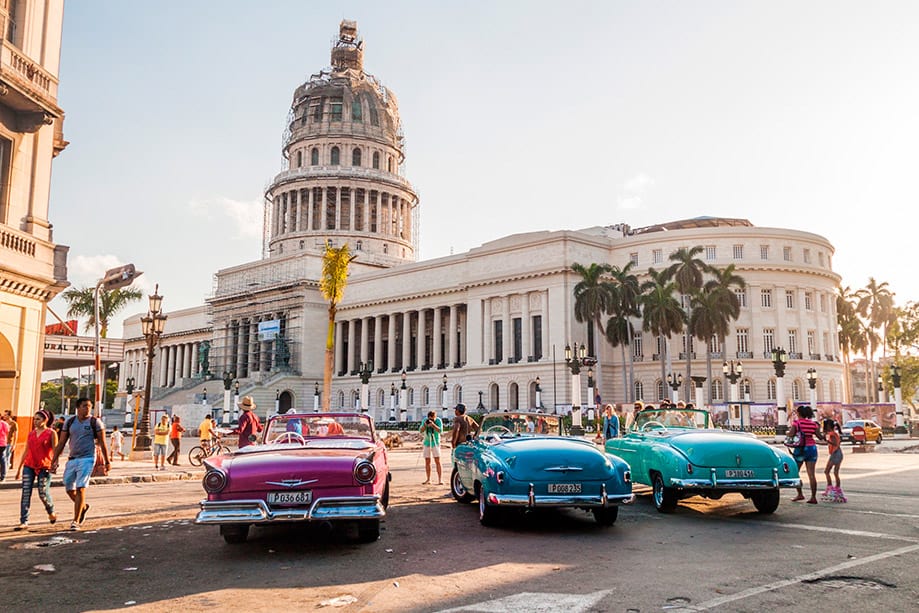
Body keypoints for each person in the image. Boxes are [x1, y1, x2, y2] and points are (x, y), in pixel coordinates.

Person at [50, 397, 109, 531]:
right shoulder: (70, 422)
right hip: (72, 458)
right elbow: (62, 442)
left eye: (89, 406)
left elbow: (103, 442)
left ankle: (76, 521)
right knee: (68, 487)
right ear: (77, 408)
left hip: (87, 458)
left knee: (81, 487)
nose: (87, 408)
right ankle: (83, 506)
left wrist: (107, 461)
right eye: (84, 406)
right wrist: (54, 459)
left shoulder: (95, 422)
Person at [14, 410, 57, 530]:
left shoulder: (51, 433)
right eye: (34, 419)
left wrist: (55, 463)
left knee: (42, 493)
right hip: (29, 465)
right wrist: (19, 469)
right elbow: (26, 451)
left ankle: (51, 511)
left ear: (45, 420)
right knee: (26, 493)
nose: (35, 421)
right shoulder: (31, 434)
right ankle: (24, 520)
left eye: (38, 419)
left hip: (44, 466)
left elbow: (55, 450)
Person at [788, 405, 822, 504]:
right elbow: (819, 436)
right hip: (812, 449)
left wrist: (787, 433)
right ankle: (813, 497)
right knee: (811, 474)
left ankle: (800, 494)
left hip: (800, 449)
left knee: (795, 472)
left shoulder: (797, 423)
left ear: (798, 413)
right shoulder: (813, 424)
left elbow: (791, 434)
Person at [822, 418, 846, 503]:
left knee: (827, 471)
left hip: (835, 453)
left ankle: (830, 487)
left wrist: (827, 440)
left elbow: (835, 444)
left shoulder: (832, 434)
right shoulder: (834, 433)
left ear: (828, 426)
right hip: (838, 453)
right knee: (835, 472)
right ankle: (838, 489)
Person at [419, 410, 443, 485]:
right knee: (427, 461)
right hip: (427, 442)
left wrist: (433, 425)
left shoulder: (438, 420)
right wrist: (425, 425)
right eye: (430, 419)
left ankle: (440, 479)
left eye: (432, 419)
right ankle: (428, 479)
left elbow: (440, 431)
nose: (431, 420)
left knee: (437, 460)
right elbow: (421, 430)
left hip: (435, 442)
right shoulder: (425, 420)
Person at [0, 412, 8, 481]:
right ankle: (3, 475)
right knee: (3, 459)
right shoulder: (5, 424)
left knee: (2, 459)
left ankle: (3, 475)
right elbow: (7, 432)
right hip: (3, 443)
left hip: (1, 443)